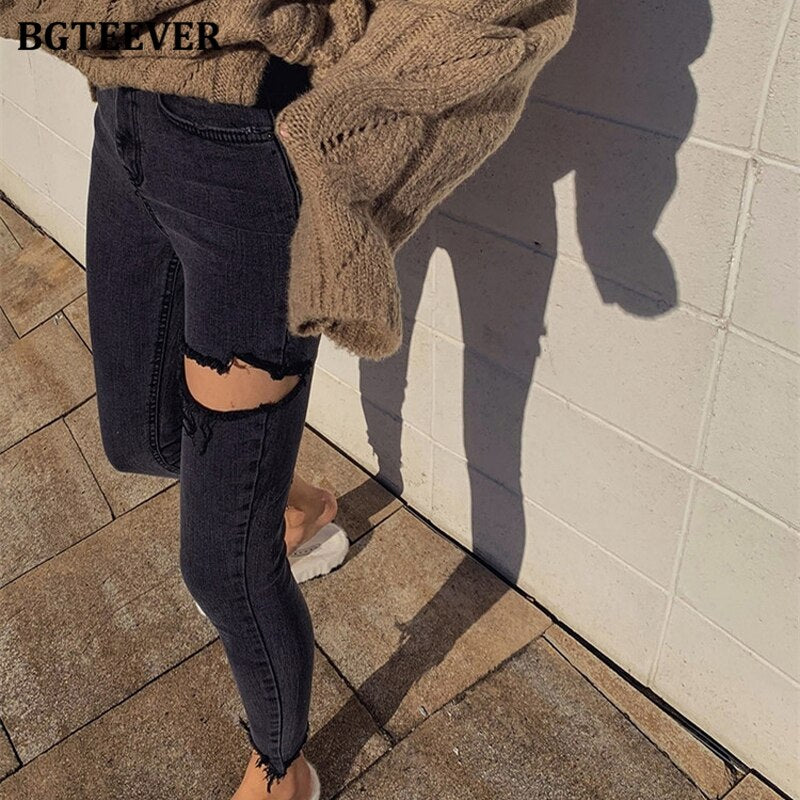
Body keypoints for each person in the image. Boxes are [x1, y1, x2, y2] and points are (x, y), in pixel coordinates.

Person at [85, 56, 348, 800]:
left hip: (245, 145)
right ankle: (293, 503)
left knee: (224, 568)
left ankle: (283, 768)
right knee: (140, 436)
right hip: (127, 103)